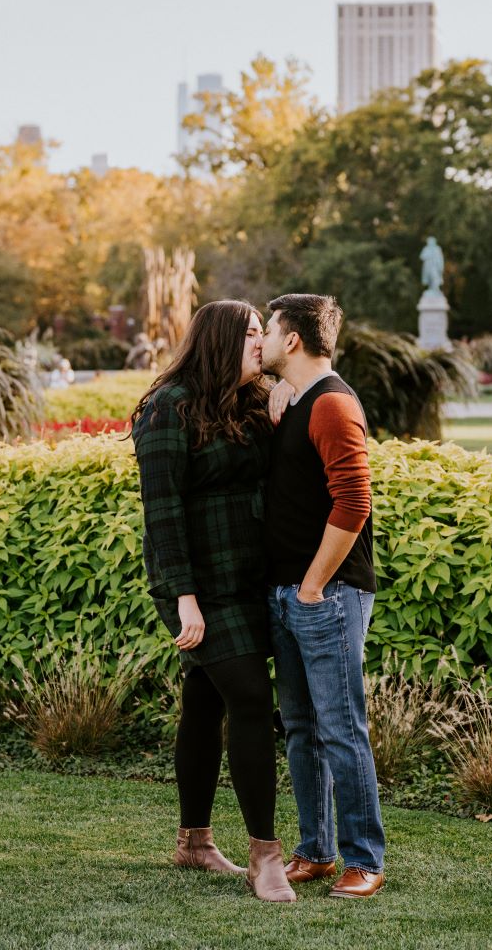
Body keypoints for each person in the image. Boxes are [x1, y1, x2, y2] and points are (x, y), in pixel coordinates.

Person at [130, 300, 296, 903]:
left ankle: (194, 842)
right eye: (253, 335)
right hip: (195, 586)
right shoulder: (168, 408)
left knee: (204, 701)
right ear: (223, 340)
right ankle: (265, 855)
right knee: (251, 697)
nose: (264, 343)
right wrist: (185, 600)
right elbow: (163, 515)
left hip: (249, 579)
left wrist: (283, 393)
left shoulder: (254, 401)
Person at [258, 293, 387, 899]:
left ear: (292, 340)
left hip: (327, 595)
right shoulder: (298, 400)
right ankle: (316, 851)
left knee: (341, 728)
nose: (258, 340)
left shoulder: (333, 404)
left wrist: (312, 586)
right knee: (303, 729)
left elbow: (354, 502)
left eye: (268, 327)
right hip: (291, 593)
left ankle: (366, 859)